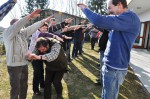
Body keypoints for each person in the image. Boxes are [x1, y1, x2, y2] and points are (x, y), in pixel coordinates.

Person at [77, 0, 140, 99]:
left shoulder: (130, 18)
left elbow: (101, 20)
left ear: (119, 5)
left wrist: (84, 9)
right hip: (111, 65)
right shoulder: (123, 20)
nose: (108, 11)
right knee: (106, 94)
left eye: (110, 8)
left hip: (115, 67)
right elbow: (105, 25)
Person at [3, 9, 53, 99]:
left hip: (24, 64)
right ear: (12, 26)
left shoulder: (22, 34)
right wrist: (29, 16)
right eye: (19, 25)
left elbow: (32, 27)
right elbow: (17, 25)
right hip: (14, 66)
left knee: (24, 87)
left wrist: (43, 21)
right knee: (15, 88)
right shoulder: (7, 34)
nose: (22, 26)